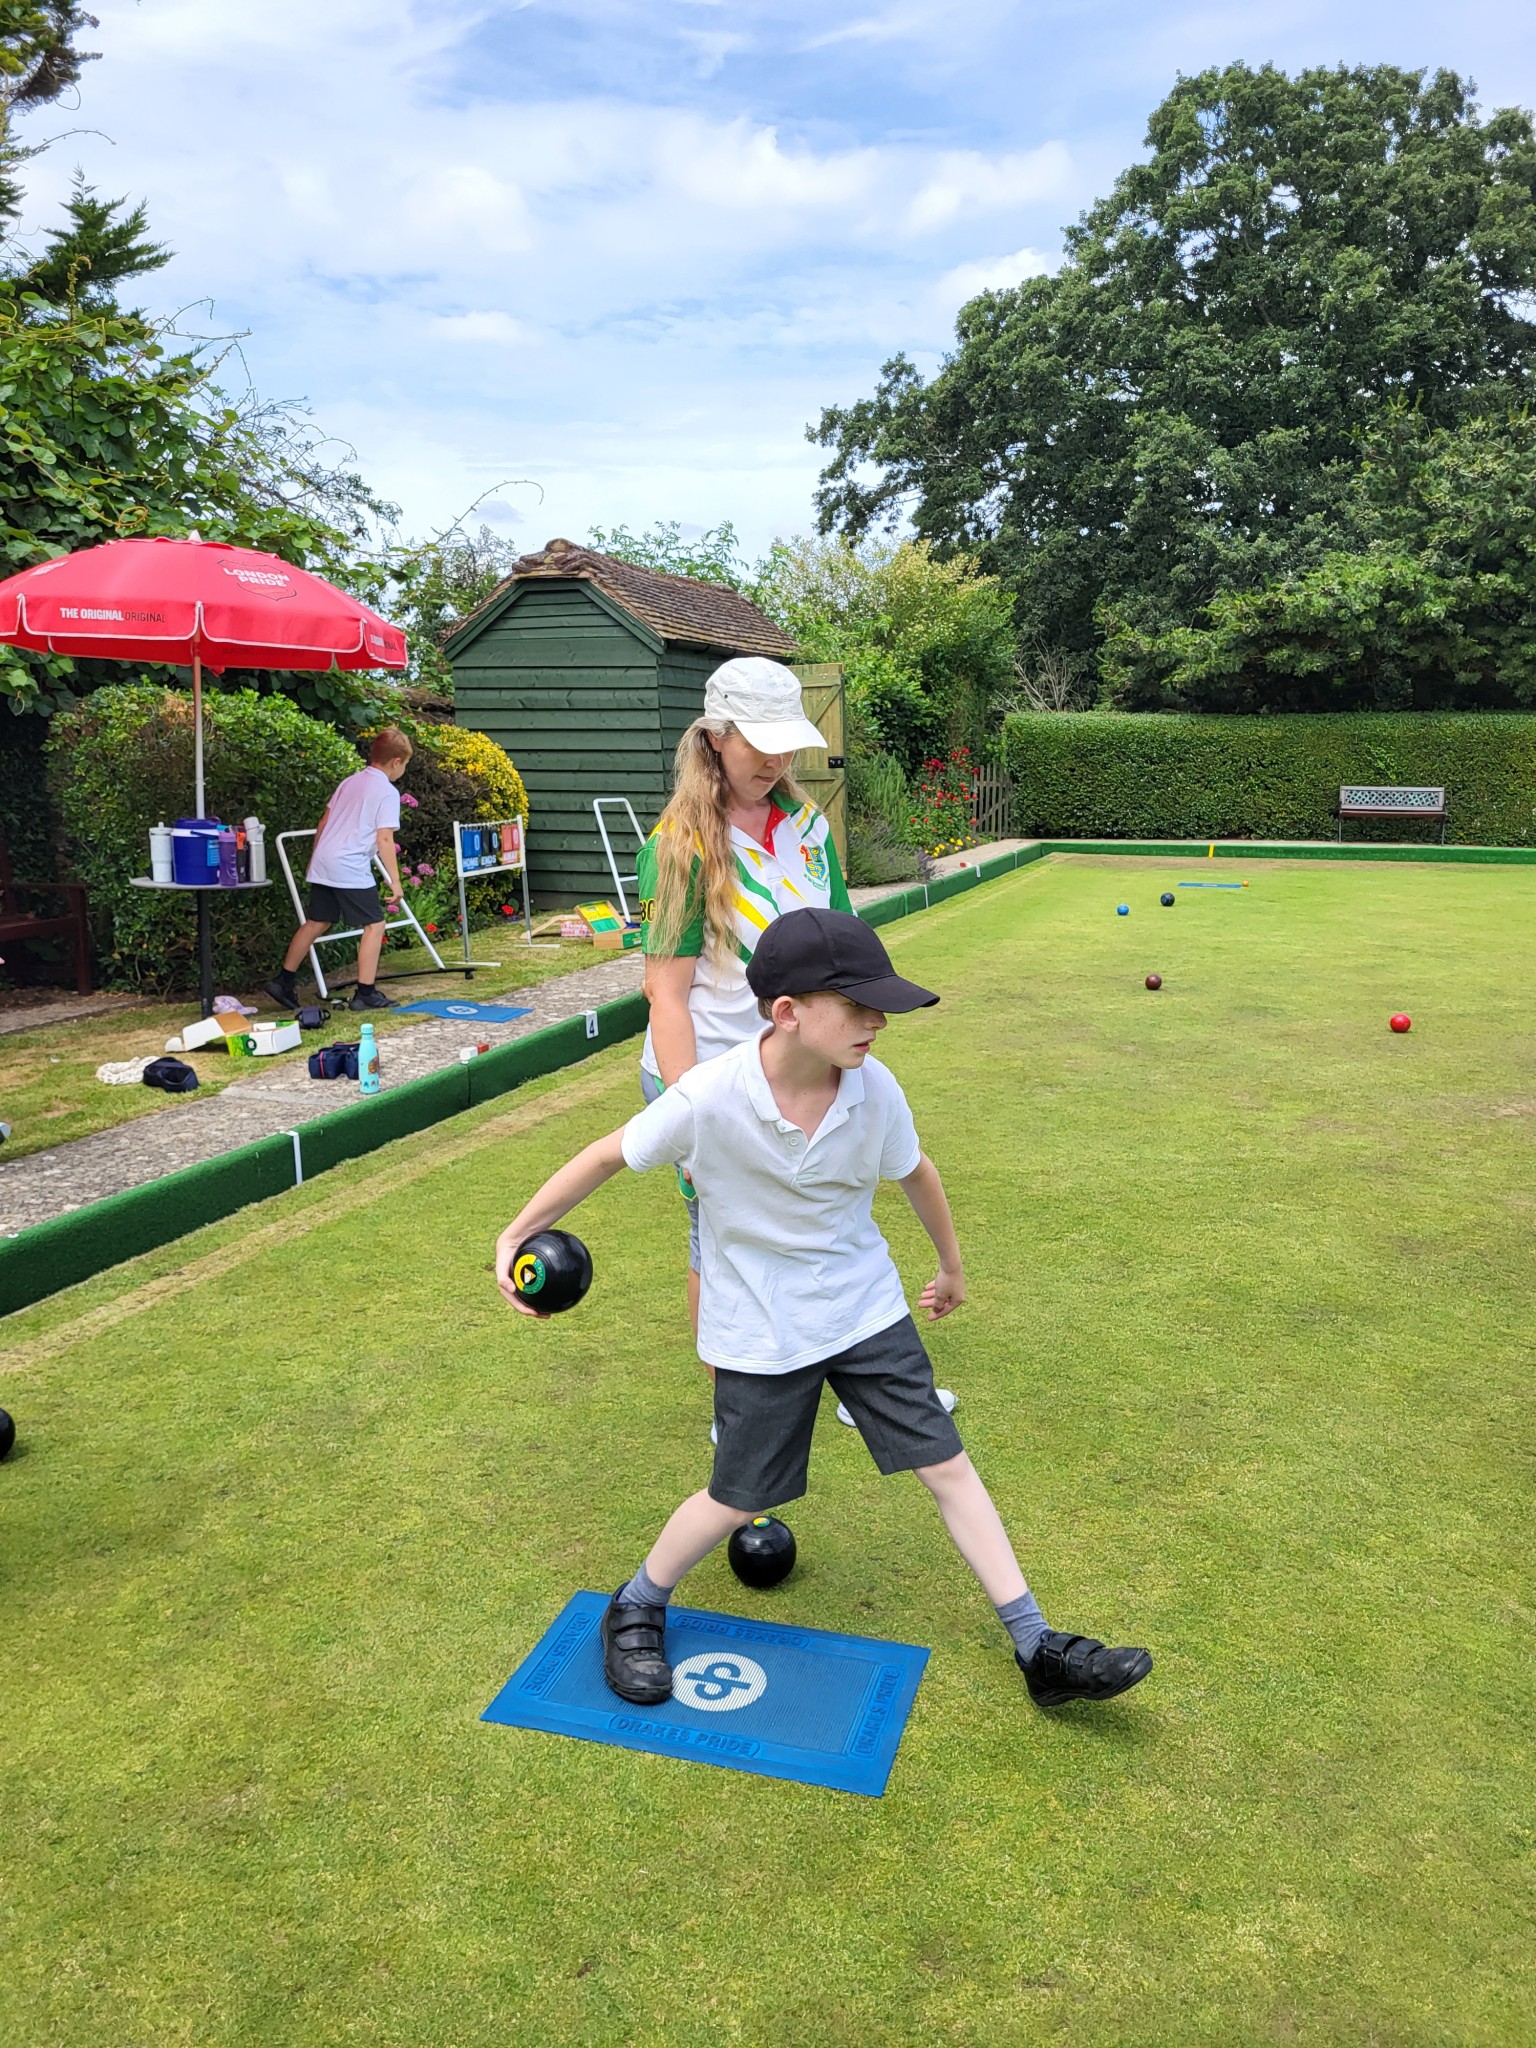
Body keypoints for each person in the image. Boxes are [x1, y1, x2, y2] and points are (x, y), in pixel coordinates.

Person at [493, 906, 1153, 1714]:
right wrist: (518, 1233)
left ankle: (1036, 1645)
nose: (877, 1021)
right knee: (735, 1498)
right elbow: (606, 1154)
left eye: (881, 1005)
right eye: (858, 1005)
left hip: (862, 1306)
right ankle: (635, 1603)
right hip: (759, 1328)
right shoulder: (707, 1098)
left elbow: (918, 1173)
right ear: (787, 1013)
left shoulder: (873, 1090)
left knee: (945, 1464)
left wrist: (950, 1267)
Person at [638, 655, 956, 1430]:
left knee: (832, 1220)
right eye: (759, 743)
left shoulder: (809, 826)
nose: (777, 759)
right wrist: (690, 1115)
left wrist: (849, 1035)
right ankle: (738, 1412)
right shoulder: (679, 845)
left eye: (787, 743)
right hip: (711, 1074)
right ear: (715, 737)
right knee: (721, 1239)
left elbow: (842, 947)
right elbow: (665, 996)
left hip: (805, 1064)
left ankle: (860, 1381)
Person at [265, 726, 412, 1015]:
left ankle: (284, 981)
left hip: (325, 859)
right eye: (405, 764)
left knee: (317, 921)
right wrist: (395, 881)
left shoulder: (350, 781)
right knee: (374, 925)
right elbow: (384, 838)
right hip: (349, 863)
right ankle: (366, 993)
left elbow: (324, 822)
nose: (403, 770)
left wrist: (314, 858)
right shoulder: (387, 792)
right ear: (396, 762)